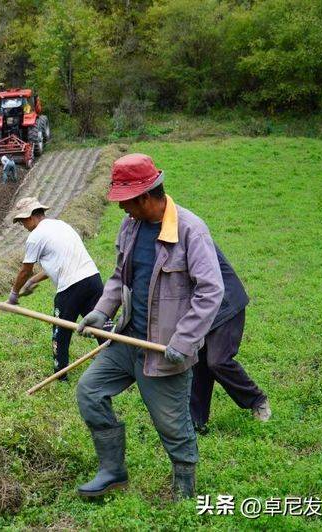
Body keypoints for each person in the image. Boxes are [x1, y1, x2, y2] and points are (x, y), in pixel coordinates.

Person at [74, 153, 224, 500]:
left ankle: (185, 484)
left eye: (125, 202)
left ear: (144, 197)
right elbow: (118, 276)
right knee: (90, 392)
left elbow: (210, 292)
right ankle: (113, 471)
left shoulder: (189, 231)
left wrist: (184, 341)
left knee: (171, 424)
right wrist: (101, 310)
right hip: (127, 340)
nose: (121, 209)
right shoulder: (131, 226)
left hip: (165, 351)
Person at [8, 197, 103, 380]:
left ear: (30, 217)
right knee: (100, 325)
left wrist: (13, 294)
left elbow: (25, 270)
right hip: (93, 279)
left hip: (71, 287)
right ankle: (117, 363)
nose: (22, 226)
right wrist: (33, 281)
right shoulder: (61, 225)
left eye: (21, 222)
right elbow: (60, 261)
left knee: (60, 332)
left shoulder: (35, 236)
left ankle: (60, 375)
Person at [191, 245, 270, 433]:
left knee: (218, 361)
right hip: (202, 308)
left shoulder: (190, 233)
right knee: (198, 362)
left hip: (226, 303)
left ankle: (257, 400)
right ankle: (196, 421)